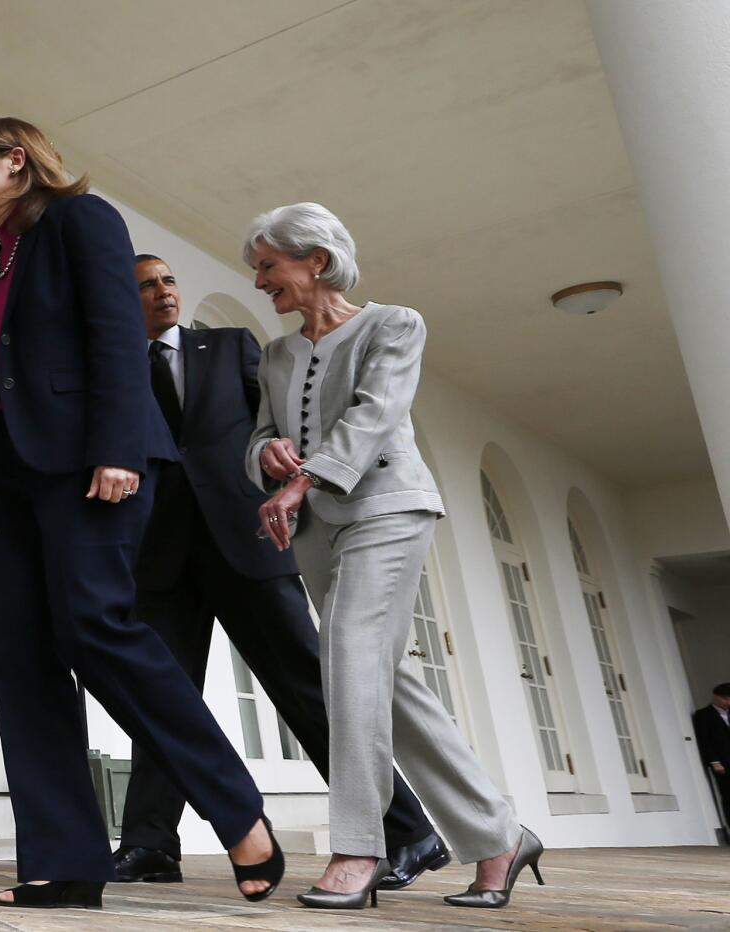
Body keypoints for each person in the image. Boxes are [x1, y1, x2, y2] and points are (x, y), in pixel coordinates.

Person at [0, 117, 283, 910]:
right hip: (12, 480)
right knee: (22, 658)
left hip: (90, 465)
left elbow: (114, 335)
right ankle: (64, 862)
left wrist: (121, 446)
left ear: (15, 160)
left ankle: (236, 810)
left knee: (97, 629)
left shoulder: (79, 220)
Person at [114, 253, 448, 892]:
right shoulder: (115, 364)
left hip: (245, 542)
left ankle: (409, 831)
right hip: (160, 556)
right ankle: (150, 844)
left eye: (167, 281)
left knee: (306, 687)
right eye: (146, 286)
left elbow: (282, 426)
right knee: (161, 700)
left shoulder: (233, 346)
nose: (162, 293)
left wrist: (293, 476)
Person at [243, 202, 544, 910]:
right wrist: (269, 454)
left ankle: (359, 845)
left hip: (387, 507)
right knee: (390, 685)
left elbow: (376, 413)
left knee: (346, 654)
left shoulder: (394, 324)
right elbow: (257, 434)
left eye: (267, 265)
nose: (259, 281)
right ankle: (500, 836)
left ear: (314, 260)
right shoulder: (277, 354)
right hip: (315, 526)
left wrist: (305, 477)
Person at [692, 683, 730, 827]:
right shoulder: (704, 715)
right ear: (716, 697)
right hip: (723, 763)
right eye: (726, 699)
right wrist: (714, 761)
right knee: (728, 795)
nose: (728, 702)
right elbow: (705, 740)